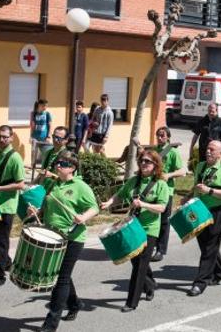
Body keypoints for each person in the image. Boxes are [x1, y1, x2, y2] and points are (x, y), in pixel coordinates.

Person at [30, 151, 98, 332]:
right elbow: (46, 207)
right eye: (57, 162)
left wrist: (83, 217)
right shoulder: (52, 183)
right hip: (52, 236)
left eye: (63, 163)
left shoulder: (80, 186)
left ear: (73, 168)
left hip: (73, 238)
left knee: (60, 278)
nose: (58, 165)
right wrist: (36, 211)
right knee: (62, 275)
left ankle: (51, 324)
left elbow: (94, 207)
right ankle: (74, 304)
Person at [101, 150, 169, 312]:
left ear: (155, 165)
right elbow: (120, 195)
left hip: (149, 229)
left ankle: (131, 302)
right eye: (142, 161)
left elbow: (161, 208)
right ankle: (150, 285)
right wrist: (108, 203)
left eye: (148, 161)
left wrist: (143, 205)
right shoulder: (134, 181)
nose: (144, 164)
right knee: (137, 261)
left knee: (139, 266)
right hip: (132, 226)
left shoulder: (161, 184)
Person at [185, 141, 221, 297]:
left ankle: (201, 282)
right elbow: (196, 187)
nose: (208, 151)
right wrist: (187, 197)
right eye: (207, 148)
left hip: (216, 210)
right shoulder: (200, 166)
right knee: (205, 244)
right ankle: (219, 272)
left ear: (220, 154)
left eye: (212, 149)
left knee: (210, 246)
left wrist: (209, 190)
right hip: (199, 210)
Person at [0, 125, 25, 288]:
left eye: (5, 137)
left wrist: (1, 188)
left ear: (11, 137)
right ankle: (7, 262)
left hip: (7, 205)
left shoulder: (15, 158)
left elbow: (21, 184)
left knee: (1, 240)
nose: (2, 140)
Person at [151, 126, 186, 262]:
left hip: (167, 190)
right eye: (158, 135)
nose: (160, 138)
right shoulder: (154, 151)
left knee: (164, 221)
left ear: (167, 137)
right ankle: (152, 244)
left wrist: (169, 175)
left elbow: (182, 171)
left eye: (162, 135)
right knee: (152, 218)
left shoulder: (172, 153)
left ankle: (161, 249)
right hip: (153, 189)